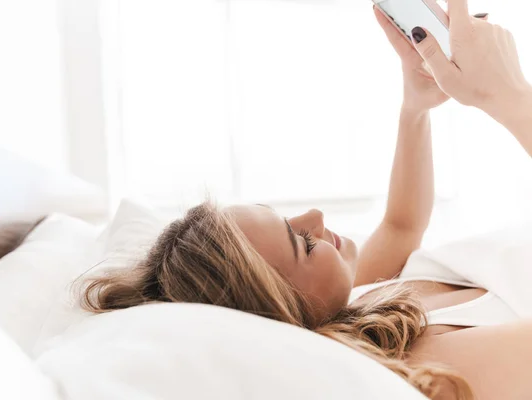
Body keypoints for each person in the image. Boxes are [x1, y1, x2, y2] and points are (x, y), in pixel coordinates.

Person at [82, 0, 532, 398]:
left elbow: (402, 224)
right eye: (303, 243)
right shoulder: (431, 363)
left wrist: (415, 107)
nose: (316, 217)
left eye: (288, 219)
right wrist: (509, 96)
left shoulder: (355, 302)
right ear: (285, 310)